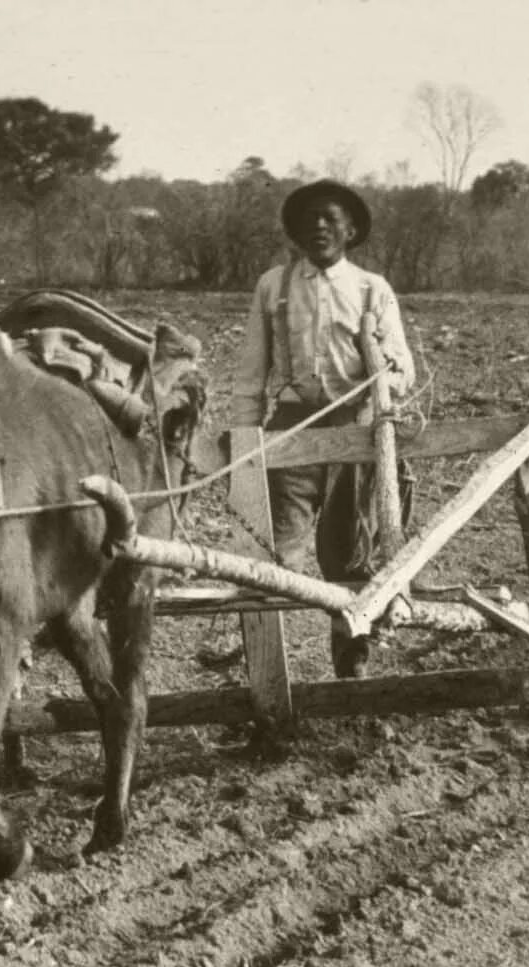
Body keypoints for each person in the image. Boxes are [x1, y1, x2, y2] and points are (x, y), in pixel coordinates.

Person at [230, 179, 415, 677]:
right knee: (276, 558)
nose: (319, 228)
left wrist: (381, 389)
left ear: (350, 230)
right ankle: (266, 678)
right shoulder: (274, 286)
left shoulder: (371, 289)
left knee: (347, 554)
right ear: (294, 232)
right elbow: (251, 371)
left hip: (354, 432)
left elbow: (402, 368)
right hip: (291, 429)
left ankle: (351, 658)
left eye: (330, 219)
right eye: (309, 220)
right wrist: (245, 445)